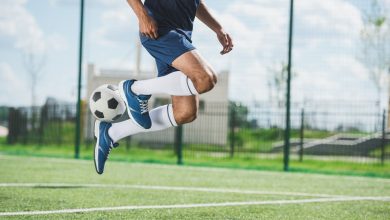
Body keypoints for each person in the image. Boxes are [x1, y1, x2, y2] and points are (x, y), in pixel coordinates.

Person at [94, 0, 234, 174]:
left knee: (185, 112)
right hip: (159, 29)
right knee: (205, 79)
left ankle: (112, 132)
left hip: (181, 33)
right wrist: (142, 15)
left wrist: (218, 28)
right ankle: (135, 89)